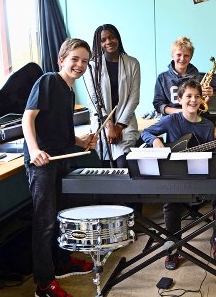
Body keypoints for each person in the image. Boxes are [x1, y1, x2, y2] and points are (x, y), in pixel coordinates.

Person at [22, 38, 97, 297]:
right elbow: (27, 118)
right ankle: (44, 284)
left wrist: (80, 140)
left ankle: (63, 262)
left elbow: (61, 128)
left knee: (63, 215)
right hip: (41, 161)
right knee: (44, 222)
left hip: (61, 157)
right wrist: (34, 151)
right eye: (74, 59)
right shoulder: (49, 81)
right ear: (61, 59)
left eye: (85, 61)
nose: (79, 64)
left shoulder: (69, 89)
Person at [142, 79, 216, 269]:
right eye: (188, 96)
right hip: (177, 176)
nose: (193, 100)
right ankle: (173, 247)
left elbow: (213, 157)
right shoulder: (171, 119)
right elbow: (146, 132)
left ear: (202, 100)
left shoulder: (207, 126)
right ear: (179, 99)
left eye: (197, 97)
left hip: (201, 175)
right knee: (171, 202)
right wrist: (155, 141)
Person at [84, 24, 141, 168]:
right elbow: (94, 100)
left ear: (118, 38)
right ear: (98, 44)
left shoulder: (132, 63)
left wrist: (119, 127)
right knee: (107, 168)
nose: (108, 42)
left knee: (123, 165)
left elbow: (134, 98)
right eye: (103, 40)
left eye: (112, 37)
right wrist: (109, 125)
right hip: (102, 123)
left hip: (125, 123)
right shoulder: (92, 67)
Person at [153, 36, 213, 115]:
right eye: (178, 55)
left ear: (190, 57)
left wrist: (209, 96)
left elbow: (201, 105)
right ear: (172, 55)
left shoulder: (198, 77)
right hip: (171, 118)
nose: (182, 59)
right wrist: (179, 112)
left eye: (186, 55)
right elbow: (158, 104)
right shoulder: (162, 78)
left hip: (193, 117)